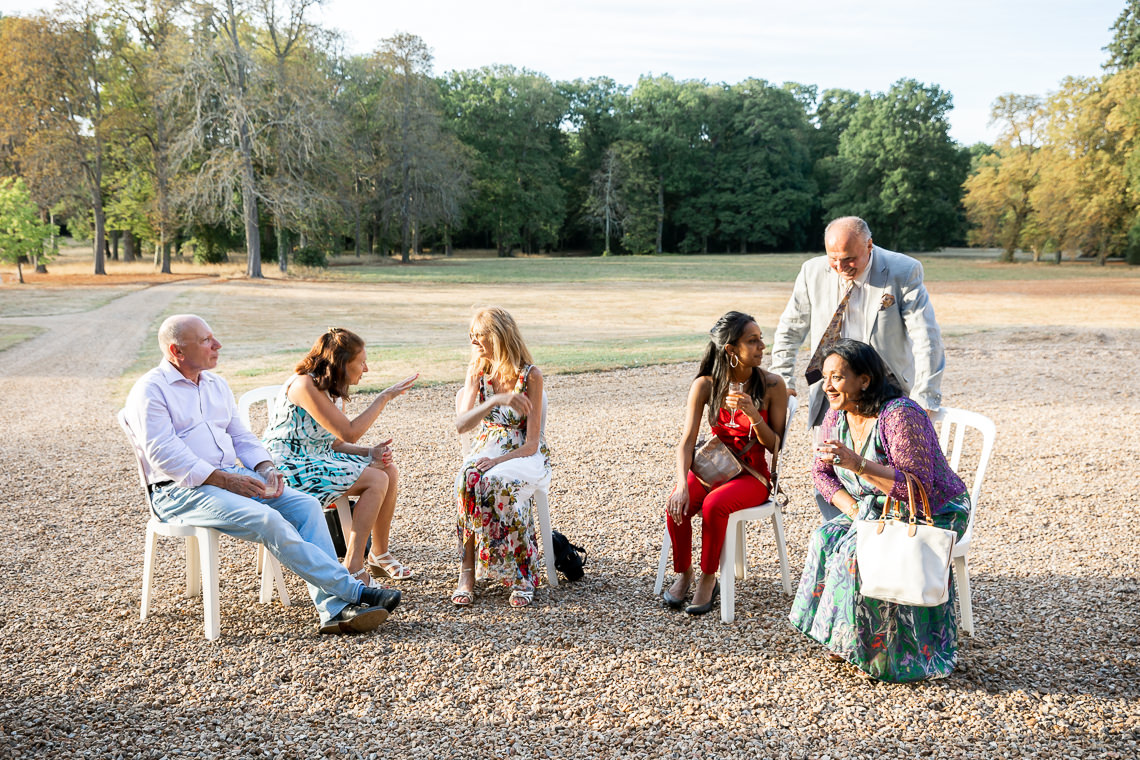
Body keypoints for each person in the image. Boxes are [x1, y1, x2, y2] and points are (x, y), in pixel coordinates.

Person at [123, 315, 401, 635]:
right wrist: (223, 479)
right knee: (268, 520)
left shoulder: (216, 384)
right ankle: (352, 593)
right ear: (177, 351)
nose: (217, 345)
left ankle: (334, 611)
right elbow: (164, 454)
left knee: (307, 507)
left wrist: (265, 468)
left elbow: (242, 438)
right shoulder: (150, 391)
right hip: (178, 490)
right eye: (205, 341)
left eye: (213, 337)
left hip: (231, 476)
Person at [788, 339, 970, 682]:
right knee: (827, 536)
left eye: (837, 377)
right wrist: (855, 510)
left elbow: (917, 486)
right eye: (825, 377)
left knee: (857, 551)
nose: (827, 386)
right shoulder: (834, 415)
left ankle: (889, 651)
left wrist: (857, 464)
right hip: (876, 507)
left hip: (935, 509)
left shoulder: (900, 414)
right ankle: (846, 636)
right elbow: (821, 474)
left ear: (865, 380)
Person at [770, 216, 945, 520]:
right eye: (834, 259)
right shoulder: (812, 271)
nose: (840, 267)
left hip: (883, 394)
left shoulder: (903, 271)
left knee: (888, 475)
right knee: (830, 473)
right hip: (831, 391)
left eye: (850, 259)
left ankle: (892, 539)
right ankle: (842, 535)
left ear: (869, 246)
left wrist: (925, 397)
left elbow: (926, 338)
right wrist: (784, 380)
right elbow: (789, 329)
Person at [261, 328, 418, 587]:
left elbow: (332, 441)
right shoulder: (304, 385)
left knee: (388, 470)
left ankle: (379, 554)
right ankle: (354, 567)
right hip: (286, 467)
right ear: (342, 364)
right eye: (361, 362)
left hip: (317, 457)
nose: (366, 369)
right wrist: (383, 398)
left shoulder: (331, 388)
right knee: (376, 480)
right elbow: (349, 432)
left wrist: (371, 453)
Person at [663, 311, 788, 615]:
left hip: (752, 474)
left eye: (761, 340)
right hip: (713, 466)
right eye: (753, 341)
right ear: (731, 350)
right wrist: (681, 484)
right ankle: (685, 573)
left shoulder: (772, 385)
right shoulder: (705, 385)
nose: (762, 347)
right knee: (675, 503)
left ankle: (709, 578)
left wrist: (753, 414)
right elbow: (687, 441)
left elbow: (776, 447)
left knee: (713, 506)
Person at [452, 307, 551, 609]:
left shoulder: (530, 375)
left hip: (522, 451)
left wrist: (498, 462)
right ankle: (467, 574)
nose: (474, 341)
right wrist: (495, 399)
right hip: (486, 445)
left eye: (479, 335)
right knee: (465, 480)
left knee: (499, 483)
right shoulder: (477, 372)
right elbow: (461, 425)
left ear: (498, 336)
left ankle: (523, 575)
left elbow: (533, 443)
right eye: (471, 335)